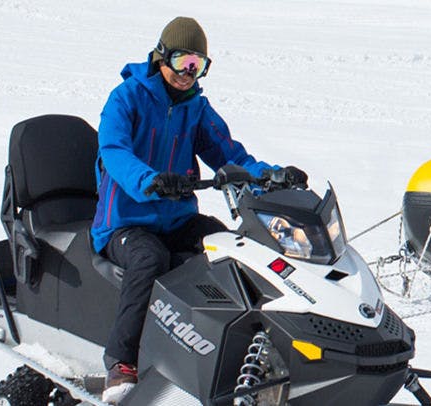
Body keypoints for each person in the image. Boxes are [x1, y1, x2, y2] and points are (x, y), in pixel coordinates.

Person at [90, 17, 308, 402]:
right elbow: (114, 150)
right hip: (124, 222)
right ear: (161, 57)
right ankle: (121, 362)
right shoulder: (126, 98)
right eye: (182, 62)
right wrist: (150, 180)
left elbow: (231, 155)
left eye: (198, 65)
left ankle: (236, 353)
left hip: (176, 219)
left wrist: (271, 175)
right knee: (149, 259)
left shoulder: (196, 108)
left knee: (229, 246)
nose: (189, 73)